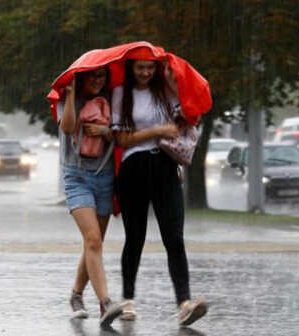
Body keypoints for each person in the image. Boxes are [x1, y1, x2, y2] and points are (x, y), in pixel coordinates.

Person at [111, 59, 207, 326]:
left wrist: (175, 81)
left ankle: (184, 304)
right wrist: (157, 130)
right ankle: (128, 299)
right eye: (140, 67)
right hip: (133, 168)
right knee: (135, 237)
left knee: (174, 235)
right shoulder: (121, 93)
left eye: (150, 68)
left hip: (165, 165)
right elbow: (121, 140)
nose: (145, 72)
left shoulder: (165, 91)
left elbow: (188, 117)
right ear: (131, 68)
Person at [58, 67, 123, 325]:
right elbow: (67, 128)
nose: (98, 81)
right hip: (77, 177)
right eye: (92, 76)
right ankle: (106, 303)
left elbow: (123, 135)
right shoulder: (68, 97)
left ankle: (76, 294)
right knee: (93, 239)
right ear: (81, 77)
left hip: (105, 177)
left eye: (102, 77)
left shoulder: (113, 99)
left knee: (93, 243)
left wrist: (105, 132)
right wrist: (72, 95)